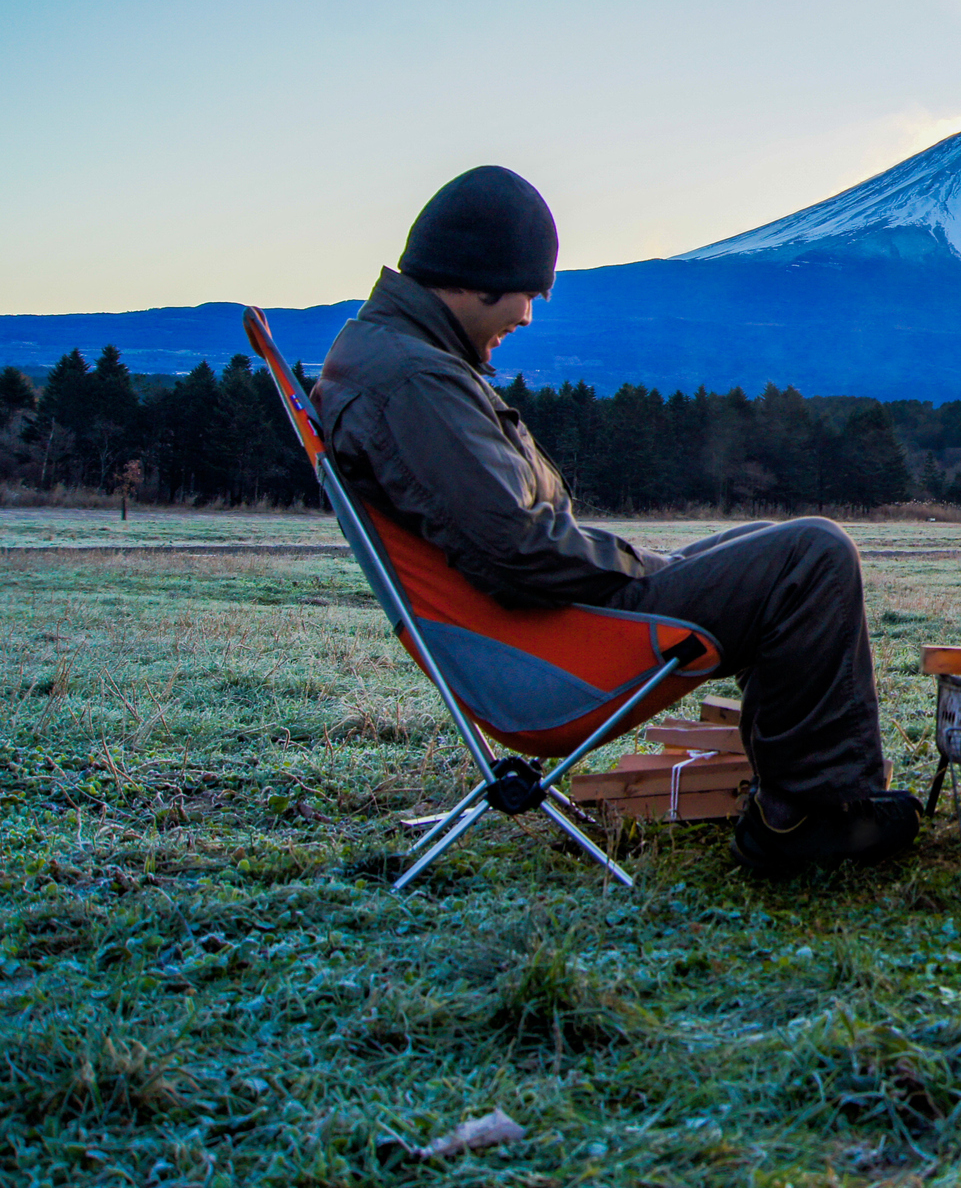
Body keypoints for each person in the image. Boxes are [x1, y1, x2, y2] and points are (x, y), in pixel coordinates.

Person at [314, 165, 920, 875]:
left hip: (540, 626)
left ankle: (800, 802)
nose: (527, 317)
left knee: (767, 544)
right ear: (478, 278)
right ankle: (812, 817)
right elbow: (517, 547)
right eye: (528, 293)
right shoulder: (415, 381)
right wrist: (640, 567)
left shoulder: (394, 359)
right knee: (812, 554)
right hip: (550, 645)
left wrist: (651, 567)